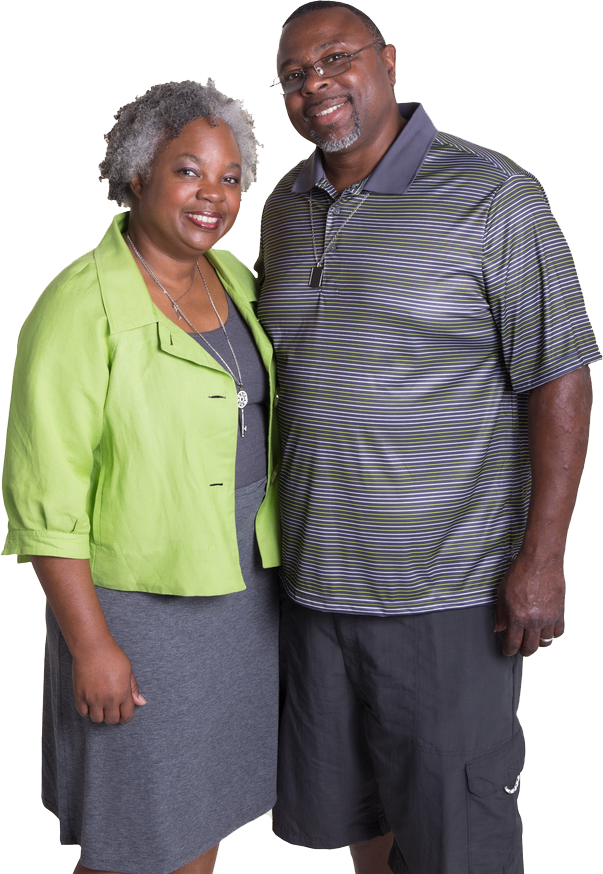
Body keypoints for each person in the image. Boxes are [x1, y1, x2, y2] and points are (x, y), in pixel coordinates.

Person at [256, 3, 601, 873]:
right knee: (364, 819)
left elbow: (559, 375)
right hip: (313, 590)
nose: (315, 84)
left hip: (446, 596)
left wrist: (543, 559)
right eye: (294, 75)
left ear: (388, 60)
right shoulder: (283, 205)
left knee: (458, 841)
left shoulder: (494, 194)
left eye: (336, 58)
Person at [2, 79, 281, 874]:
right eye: (188, 171)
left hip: (244, 598)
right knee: (133, 838)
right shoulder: (77, 309)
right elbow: (45, 505)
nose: (213, 195)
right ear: (136, 174)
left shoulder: (233, 278)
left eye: (230, 177)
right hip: (140, 616)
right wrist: (92, 647)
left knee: (196, 818)